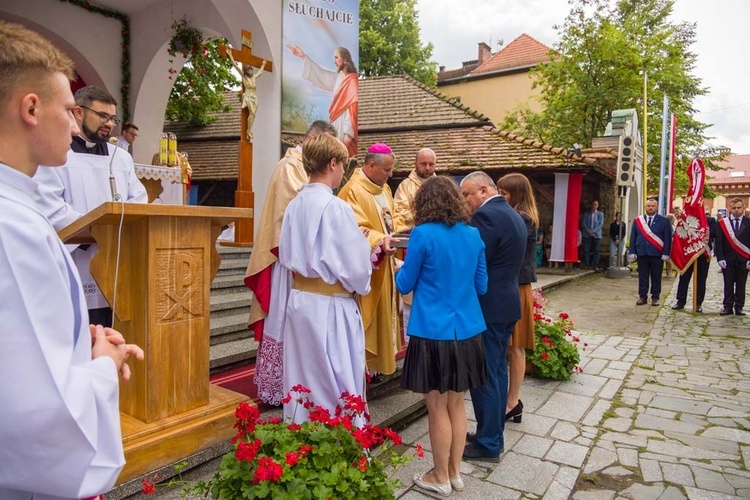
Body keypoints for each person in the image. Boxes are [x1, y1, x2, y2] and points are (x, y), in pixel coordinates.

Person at [0, 20, 144, 498]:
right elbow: (38, 415)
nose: (74, 121)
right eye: (68, 108)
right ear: (31, 108)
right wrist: (102, 363)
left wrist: (77, 342)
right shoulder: (15, 228)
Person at [396, 176, 488, 496]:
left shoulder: (421, 234)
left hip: (432, 330)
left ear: (424, 203)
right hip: (467, 330)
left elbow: (404, 284)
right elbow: (481, 287)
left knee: (436, 408)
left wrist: (398, 267)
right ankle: (455, 473)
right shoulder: (474, 235)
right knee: (457, 406)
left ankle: (439, 476)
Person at [34, 85, 148, 327]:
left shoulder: (121, 157)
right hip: (77, 257)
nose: (109, 123)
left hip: (116, 259)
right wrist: (97, 231)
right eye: (102, 116)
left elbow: (139, 199)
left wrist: (116, 230)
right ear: (78, 112)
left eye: (113, 118)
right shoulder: (56, 155)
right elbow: (50, 205)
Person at [278, 134, 372, 424]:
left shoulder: (294, 205)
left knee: (302, 378)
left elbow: (286, 252)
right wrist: (363, 251)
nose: (343, 171)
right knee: (338, 377)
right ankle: (343, 445)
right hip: (332, 306)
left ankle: (301, 440)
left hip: (300, 302)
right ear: (332, 163)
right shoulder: (336, 207)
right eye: (343, 164)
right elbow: (356, 270)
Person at [244, 121, 337, 405]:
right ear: (311, 138)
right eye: (325, 144)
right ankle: (281, 382)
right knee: (283, 318)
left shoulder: (303, 165)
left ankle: (296, 379)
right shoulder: (290, 167)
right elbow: (293, 211)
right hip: (287, 258)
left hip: (302, 259)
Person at [460, 171, 526, 462]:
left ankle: (488, 442)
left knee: (485, 375)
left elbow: (476, 262)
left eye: (467, 194)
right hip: (506, 304)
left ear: (483, 191)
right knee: (497, 372)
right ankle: (492, 433)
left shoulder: (486, 218)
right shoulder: (513, 214)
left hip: (488, 307)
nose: (465, 201)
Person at [338, 143, 402, 377]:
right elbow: (356, 229)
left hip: (387, 262)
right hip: (369, 266)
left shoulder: (384, 189)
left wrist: (402, 233)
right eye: (387, 170)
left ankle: (379, 365)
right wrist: (381, 240)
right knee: (371, 315)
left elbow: (392, 219)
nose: (390, 175)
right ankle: (366, 366)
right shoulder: (352, 191)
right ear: (371, 165)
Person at [496, 173, 539, 426]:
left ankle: (513, 401)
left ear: (516, 194)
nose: (500, 197)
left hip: (517, 286)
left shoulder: (522, 218)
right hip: (515, 285)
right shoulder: (522, 216)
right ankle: (512, 401)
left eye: (504, 193)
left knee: (516, 346)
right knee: (513, 346)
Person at [392, 148, 436, 339]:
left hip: (437, 247)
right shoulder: (405, 186)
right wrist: (427, 219)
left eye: (431, 164)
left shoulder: (440, 184)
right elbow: (400, 215)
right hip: (414, 245)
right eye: (423, 164)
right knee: (411, 302)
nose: (427, 168)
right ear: (415, 164)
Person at [288, 44, 358, 157]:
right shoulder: (338, 78)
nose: (334, 61)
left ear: (345, 59)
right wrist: (303, 57)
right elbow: (321, 74)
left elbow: (353, 107)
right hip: (336, 122)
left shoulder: (353, 80)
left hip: (345, 126)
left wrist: (348, 132)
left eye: (336, 57)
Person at [628, 198, 672, 306]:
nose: (650, 208)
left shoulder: (664, 221)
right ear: (645, 207)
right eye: (648, 206)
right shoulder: (638, 220)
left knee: (656, 276)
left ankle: (655, 297)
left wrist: (666, 253)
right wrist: (632, 251)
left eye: (653, 206)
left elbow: (667, 238)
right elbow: (633, 236)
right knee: (642, 276)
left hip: (657, 253)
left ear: (656, 207)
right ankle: (642, 296)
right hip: (642, 253)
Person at [673, 214, 717, 313]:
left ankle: (698, 303)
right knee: (684, 277)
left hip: (703, 254)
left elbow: (714, 234)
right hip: (688, 253)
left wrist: (706, 231)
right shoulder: (685, 220)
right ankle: (680, 301)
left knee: (701, 279)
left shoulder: (710, 220)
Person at [715, 197, 750, 316]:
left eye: (738, 208)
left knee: (741, 284)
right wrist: (720, 258)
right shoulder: (723, 224)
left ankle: (739, 307)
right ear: (729, 208)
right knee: (728, 284)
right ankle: (727, 306)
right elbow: (719, 242)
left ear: (743, 207)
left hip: (743, 259)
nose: (736, 210)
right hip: (728, 259)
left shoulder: (748, 223)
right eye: (733, 208)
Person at [228, 50, 266, 141]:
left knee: (254, 115)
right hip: (248, 96)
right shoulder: (244, 76)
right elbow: (236, 66)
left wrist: (263, 64)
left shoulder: (254, 77)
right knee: (252, 112)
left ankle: (249, 130)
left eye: (251, 70)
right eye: (248, 70)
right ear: (246, 71)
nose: (250, 72)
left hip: (254, 97)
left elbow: (260, 72)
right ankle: (248, 131)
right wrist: (230, 55)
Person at [581, 200, 604, 270]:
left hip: (596, 235)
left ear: (597, 206)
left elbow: (600, 224)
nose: (594, 206)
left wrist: (593, 231)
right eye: (593, 204)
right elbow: (583, 223)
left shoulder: (600, 214)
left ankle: (595, 265)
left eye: (595, 204)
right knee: (586, 250)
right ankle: (587, 264)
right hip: (587, 234)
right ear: (591, 205)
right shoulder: (586, 214)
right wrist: (588, 231)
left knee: (596, 250)